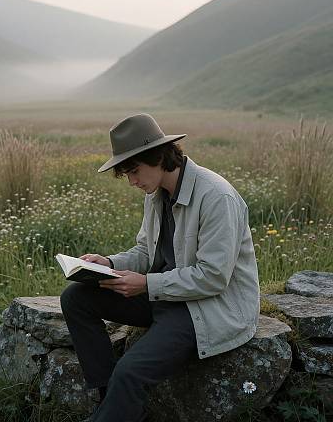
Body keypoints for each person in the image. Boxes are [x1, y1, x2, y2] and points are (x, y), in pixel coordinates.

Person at [60, 113, 260, 422]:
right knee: (76, 297)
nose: (132, 181)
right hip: (166, 295)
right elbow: (145, 251)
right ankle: (108, 404)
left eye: (134, 171)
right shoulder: (156, 195)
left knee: (130, 371)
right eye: (127, 173)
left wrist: (147, 285)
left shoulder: (216, 196)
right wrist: (109, 263)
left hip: (206, 307)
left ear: (158, 156)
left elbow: (213, 278)